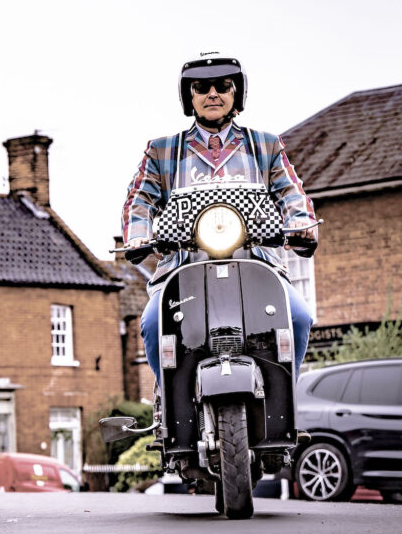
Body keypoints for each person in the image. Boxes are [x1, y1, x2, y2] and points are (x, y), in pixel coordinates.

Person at [122, 53, 318, 383]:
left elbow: (291, 193)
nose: (212, 93)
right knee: (153, 324)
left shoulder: (265, 146)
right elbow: (139, 201)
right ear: (190, 97)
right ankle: (167, 406)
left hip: (258, 265)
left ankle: (289, 404)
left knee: (297, 316)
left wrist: (300, 222)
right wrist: (138, 234)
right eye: (201, 87)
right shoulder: (162, 151)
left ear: (235, 93)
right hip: (183, 270)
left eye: (223, 86)